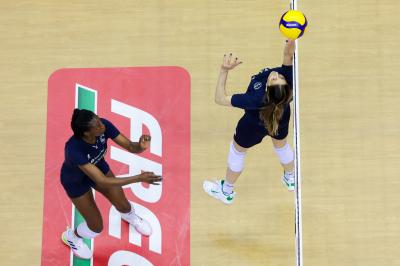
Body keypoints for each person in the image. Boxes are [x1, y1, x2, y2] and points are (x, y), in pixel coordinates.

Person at [60, 109, 162, 259]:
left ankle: (130, 217)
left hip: (98, 166)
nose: (102, 125)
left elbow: (130, 146)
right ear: (87, 133)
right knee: (96, 228)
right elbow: (102, 181)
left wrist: (141, 146)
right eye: (97, 125)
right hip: (76, 182)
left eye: (99, 120)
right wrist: (139, 178)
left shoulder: (103, 126)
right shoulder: (74, 149)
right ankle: (72, 236)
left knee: (124, 205)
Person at [203, 40, 296, 205]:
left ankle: (226, 191)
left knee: (237, 151)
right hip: (281, 118)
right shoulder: (288, 82)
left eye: (275, 79)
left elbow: (220, 99)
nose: (276, 74)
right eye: (278, 77)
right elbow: (288, 54)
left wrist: (224, 70)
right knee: (281, 145)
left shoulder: (254, 99)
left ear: (267, 89)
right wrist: (292, 36)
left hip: (252, 125)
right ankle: (290, 178)